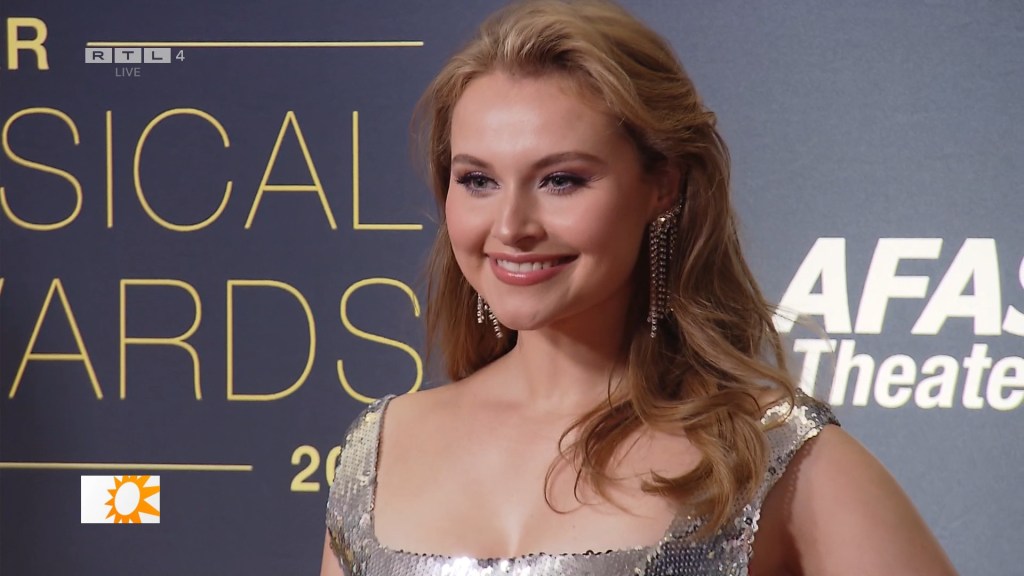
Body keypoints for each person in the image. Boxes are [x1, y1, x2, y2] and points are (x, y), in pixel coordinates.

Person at [320, 1, 958, 574]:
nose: (511, 227)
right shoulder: (379, 450)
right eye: (478, 181)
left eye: (561, 180)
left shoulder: (771, 454)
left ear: (662, 185)